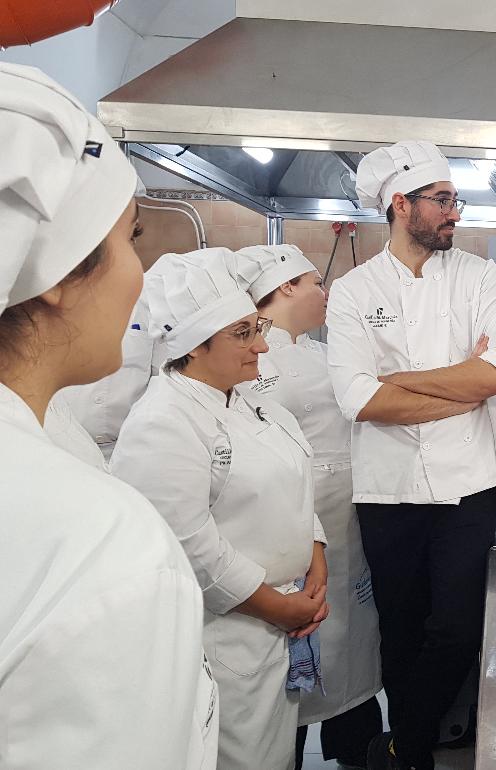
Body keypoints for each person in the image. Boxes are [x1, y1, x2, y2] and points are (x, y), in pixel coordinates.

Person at [0, 62, 217, 770]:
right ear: (60, 275)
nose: (139, 276)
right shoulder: (99, 544)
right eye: (132, 240)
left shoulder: (49, 448)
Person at [326, 140, 496, 770]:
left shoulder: (479, 276)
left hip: (470, 482)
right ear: (399, 204)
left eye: (454, 200)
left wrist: (399, 382)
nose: (454, 213)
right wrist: (455, 381)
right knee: (399, 630)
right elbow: (355, 397)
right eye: (441, 201)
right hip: (388, 487)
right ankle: (415, 755)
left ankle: (404, 740)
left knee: (459, 630)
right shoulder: (353, 291)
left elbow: (493, 376)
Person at [111, 248, 328, 770]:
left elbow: (301, 492)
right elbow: (187, 543)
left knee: (276, 754)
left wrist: (315, 566)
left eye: (258, 328)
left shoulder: (258, 405)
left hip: (280, 624)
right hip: (226, 634)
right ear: (192, 345)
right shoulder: (163, 419)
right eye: (242, 334)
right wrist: (278, 606)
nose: (261, 345)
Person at [234, 243, 384, 770]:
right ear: (284, 289)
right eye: (315, 283)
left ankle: (356, 746)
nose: (325, 293)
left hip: (347, 521)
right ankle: (288, 754)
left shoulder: (321, 352)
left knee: (354, 641)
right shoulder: (250, 361)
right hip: (289, 526)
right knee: (299, 641)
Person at [58, 254, 174, 463]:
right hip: (61, 446)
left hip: (130, 446)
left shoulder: (146, 301)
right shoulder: (51, 304)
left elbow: (162, 376)